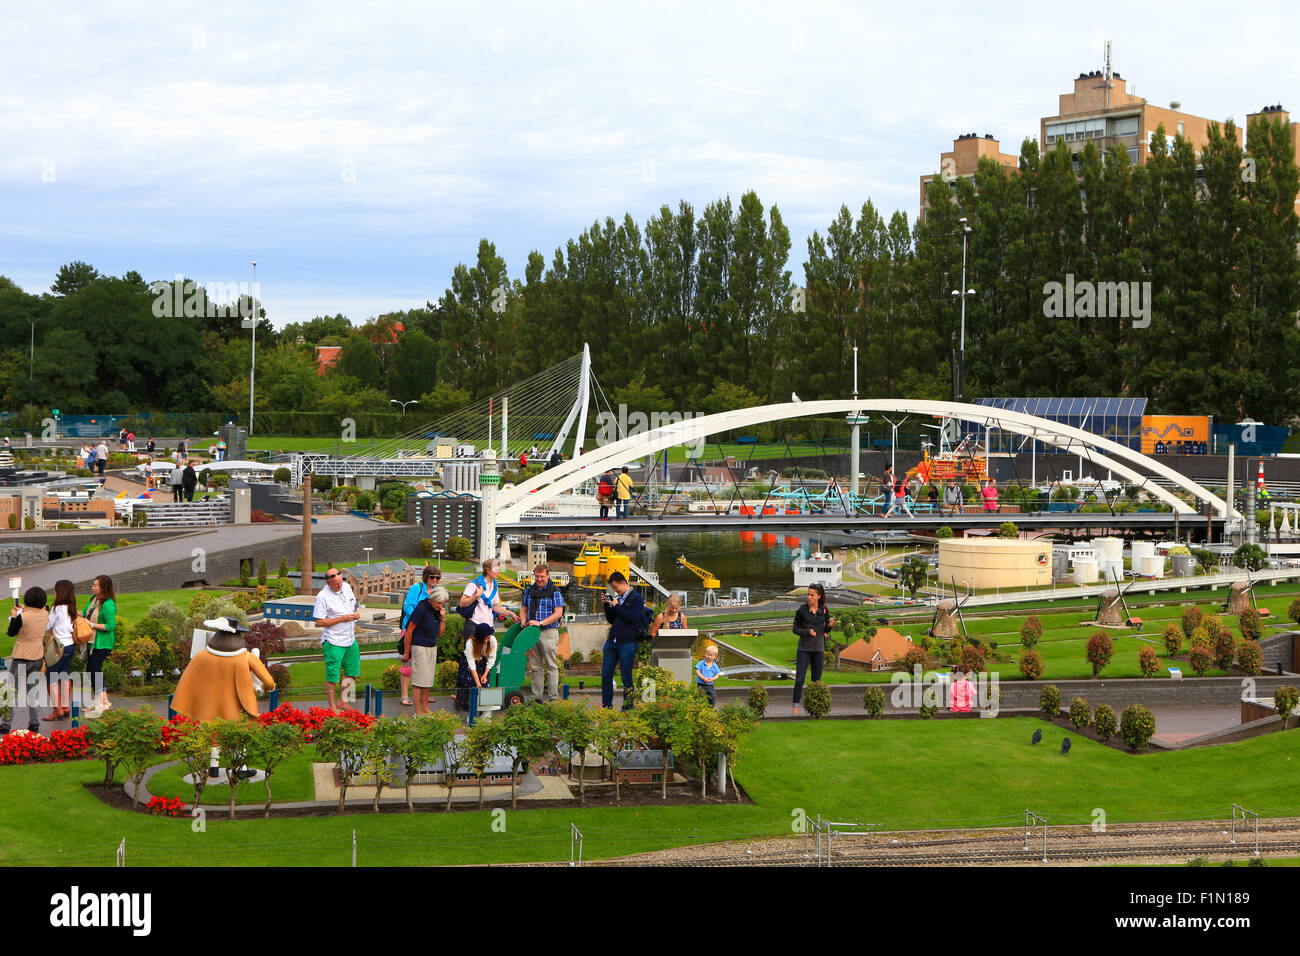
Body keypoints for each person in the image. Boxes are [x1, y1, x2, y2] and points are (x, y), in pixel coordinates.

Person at [171, 616, 276, 721]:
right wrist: (257, 686)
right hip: (239, 717)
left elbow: (186, 683)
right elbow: (269, 683)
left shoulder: (200, 656)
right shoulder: (247, 658)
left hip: (207, 717)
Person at [313, 567, 362, 711]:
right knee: (332, 676)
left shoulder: (346, 587)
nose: (339, 585)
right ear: (328, 583)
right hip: (333, 641)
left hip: (350, 638)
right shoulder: (322, 597)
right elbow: (319, 622)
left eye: (340, 581)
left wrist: (355, 614)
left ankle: (343, 701)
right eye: (336, 583)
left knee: (352, 672)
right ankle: (332, 706)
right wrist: (343, 618)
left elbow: (353, 607)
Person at [5, 587, 51, 732]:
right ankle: (34, 722)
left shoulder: (21, 617)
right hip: (37, 656)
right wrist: (21, 611)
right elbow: (35, 614)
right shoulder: (45, 614)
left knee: (11, 692)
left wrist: (14, 616)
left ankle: (6, 723)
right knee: (33, 692)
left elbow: (11, 632)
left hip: (21, 656)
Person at [600, 570, 646, 710]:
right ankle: (607, 705)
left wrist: (616, 605)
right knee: (606, 674)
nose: (614, 590)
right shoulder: (618, 598)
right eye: (612, 588)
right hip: (612, 641)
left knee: (626, 676)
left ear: (623, 583)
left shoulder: (636, 598)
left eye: (615, 587)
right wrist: (607, 604)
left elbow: (634, 618)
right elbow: (611, 619)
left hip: (627, 642)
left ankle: (628, 706)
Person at [399, 566, 443, 705]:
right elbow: (407, 606)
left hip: (427, 633)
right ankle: (405, 695)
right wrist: (419, 618)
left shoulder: (437, 592)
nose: (435, 580)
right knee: (409, 664)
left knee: (426, 665)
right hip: (412, 629)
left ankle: (424, 695)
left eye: (437, 578)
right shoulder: (416, 589)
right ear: (426, 577)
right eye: (432, 577)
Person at [402, 585, 448, 715]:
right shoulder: (421, 608)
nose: (440, 605)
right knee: (418, 681)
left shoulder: (437, 611)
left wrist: (442, 618)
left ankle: (425, 708)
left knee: (427, 681)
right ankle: (418, 711)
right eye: (439, 603)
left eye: (443, 603)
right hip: (419, 647)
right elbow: (409, 630)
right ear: (432, 599)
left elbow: (439, 634)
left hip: (432, 647)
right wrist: (406, 653)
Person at [521, 564, 565, 702]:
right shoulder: (528, 591)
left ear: (548, 576)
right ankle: (537, 697)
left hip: (548, 631)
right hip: (532, 632)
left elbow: (558, 613)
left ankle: (553, 697)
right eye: (537, 576)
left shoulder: (555, 591)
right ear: (534, 575)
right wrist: (523, 620)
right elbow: (524, 608)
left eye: (542, 576)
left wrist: (540, 623)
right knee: (535, 667)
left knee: (551, 665)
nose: (539, 579)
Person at [791, 583, 833, 716]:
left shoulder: (824, 610)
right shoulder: (801, 611)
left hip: (818, 649)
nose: (809, 597)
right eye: (808, 594)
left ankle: (814, 707)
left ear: (819, 596)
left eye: (812, 595)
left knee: (816, 681)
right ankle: (795, 707)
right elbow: (795, 629)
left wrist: (830, 625)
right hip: (804, 649)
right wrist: (807, 632)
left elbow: (825, 629)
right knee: (799, 679)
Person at [457, 558, 518, 646]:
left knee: (487, 656)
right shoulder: (474, 584)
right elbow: (462, 603)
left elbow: (495, 606)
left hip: (488, 626)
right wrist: (476, 596)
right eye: (496, 570)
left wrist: (510, 613)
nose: (498, 572)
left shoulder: (494, 586)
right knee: (472, 655)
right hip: (474, 625)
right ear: (488, 570)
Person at [85, 575, 117, 716]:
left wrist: (91, 624)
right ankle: (102, 702)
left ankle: (102, 703)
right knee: (91, 671)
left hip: (102, 644)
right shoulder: (94, 600)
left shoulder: (108, 604)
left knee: (94, 671)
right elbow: (84, 613)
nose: (92, 587)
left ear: (103, 587)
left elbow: (111, 626)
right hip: (92, 642)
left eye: (95, 585)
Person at [46, 579, 78, 720]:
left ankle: (56, 709)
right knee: (65, 675)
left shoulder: (56, 608)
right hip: (70, 645)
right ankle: (65, 707)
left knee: (51, 677)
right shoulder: (72, 608)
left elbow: (47, 626)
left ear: (59, 592)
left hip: (58, 646)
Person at [456, 622, 498, 711]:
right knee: (469, 682)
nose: (487, 640)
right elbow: (472, 666)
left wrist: (485, 675)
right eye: (485, 638)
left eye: (488, 638)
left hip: (482, 660)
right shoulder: (470, 643)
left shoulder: (492, 640)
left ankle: (482, 706)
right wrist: (478, 684)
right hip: (468, 662)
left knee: (485, 682)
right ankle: (465, 704)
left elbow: (491, 658)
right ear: (479, 638)